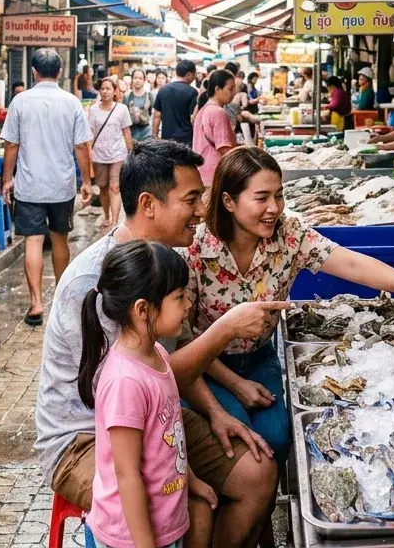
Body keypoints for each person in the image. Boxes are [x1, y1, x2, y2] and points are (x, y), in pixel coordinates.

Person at [38, 140, 287, 548]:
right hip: (86, 439)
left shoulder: (166, 262)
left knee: (259, 473)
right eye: (191, 199)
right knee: (175, 506)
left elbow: (170, 357)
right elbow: (136, 388)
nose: (202, 212)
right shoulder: (97, 283)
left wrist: (214, 412)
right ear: (149, 204)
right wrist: (224, 330)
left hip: (154, 420)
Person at [181, 148, 394, 459]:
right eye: (261, 198)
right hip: (206, 366)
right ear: (229, 201)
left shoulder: (288, 236)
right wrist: (234, 383)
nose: (274, 208)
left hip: (260, 358)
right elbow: (185, 336)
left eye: (279, 195)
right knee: (241, 445)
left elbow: (351, 264)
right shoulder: (196, 249)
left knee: (278, 439)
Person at [78, 240, 210, 548]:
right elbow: (127, 475)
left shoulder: (159, 354)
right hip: (131, 537)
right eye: (179, 297)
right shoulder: (125, 382)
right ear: (142, 309)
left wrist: (192, 481)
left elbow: (170, 436)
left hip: (165, 523)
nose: (188, 304)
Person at [2, 48, 95, 327]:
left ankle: (36, 304)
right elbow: (81, 146)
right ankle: (62, 300)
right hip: (61, 185)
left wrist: (8, 178)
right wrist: (87, 181)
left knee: (32, 241)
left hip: (29, 185)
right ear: (60, 72)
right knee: (59, 239)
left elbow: (11, 145)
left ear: (33, 71)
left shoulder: (20, 101)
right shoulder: (71, 102)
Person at [88, 78, 134, 228]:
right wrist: (89, 154)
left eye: (108, 89)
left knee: (115, 187)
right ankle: (106, 215)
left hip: (117, 153)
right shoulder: (94, 109)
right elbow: (91, 133)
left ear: (115, 91)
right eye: (102, 88)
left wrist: (131, 152)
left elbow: (126, 133)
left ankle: (114, 221)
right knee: (102, 186)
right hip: (99, 154)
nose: (105, 91)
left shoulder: (122, 109)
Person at [192, 70, 236, 186]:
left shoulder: (205, 109)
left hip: (202, 173)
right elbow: (224, 148)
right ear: (217, 89)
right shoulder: (218, 112)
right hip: (215, 173)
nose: (234, 93)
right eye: (230, 89)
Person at [153, 60, 199, 146]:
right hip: (186, 140)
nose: (195, 76)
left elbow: (157, 115)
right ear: (189, 74)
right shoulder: (192, 92)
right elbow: (193, 118)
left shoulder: (163, 90)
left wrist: (155, 135)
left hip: (167, 139)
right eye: (194, 73)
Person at [126, 69, 154, 142]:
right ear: (132, 79)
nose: (137, 80)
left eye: (140, 78)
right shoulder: (127, 96)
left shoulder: (149, 95)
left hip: (146, 131)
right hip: (131, 131)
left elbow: (152, 113)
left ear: (144, 80)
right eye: (135, 78)